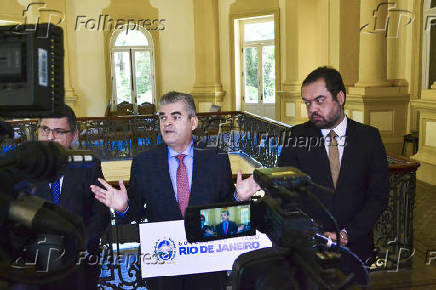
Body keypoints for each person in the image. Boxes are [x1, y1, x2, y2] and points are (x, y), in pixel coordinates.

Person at [91, 91, 260, 290]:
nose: (167, 123)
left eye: (176, 116)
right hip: (165, 265)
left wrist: (238, 197)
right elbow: (135, 212)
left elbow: (225, 211)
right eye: (163, 117)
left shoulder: (216, 159)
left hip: (207, 266)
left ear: (193, 122)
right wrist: (123, 207)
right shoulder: (144, 163)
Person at [278, 67, 389, 264]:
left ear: (340, 97)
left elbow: (378, 196)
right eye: (307, 103)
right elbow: (286, 194)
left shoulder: (369, 138)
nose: (312, 109)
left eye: (320, 100)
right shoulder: (296, 137)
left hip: (356, 247)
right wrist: (313, 232)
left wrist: (347, 233)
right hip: (308, 249)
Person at [31, 104, 110, 289]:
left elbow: (101, 214)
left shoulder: (89, 166)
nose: (50, 137)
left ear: (73, 136)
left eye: (59, 131)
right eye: (45, 130)